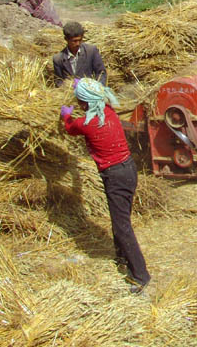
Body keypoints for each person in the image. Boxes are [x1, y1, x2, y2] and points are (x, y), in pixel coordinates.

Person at [61, 78, 151, 293]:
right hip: (129, 169)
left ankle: (140, 275)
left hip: (115, 175)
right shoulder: (109, 111)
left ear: (84, 103)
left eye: (80, 100)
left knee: (122, 227)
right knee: (121, 219)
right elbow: (96, 94)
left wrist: (65, 114)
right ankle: (121, 258)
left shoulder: (86, 123)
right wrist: (82, 84)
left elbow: (69, 127)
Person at [52, 22, 107, 87]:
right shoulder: (58, 59)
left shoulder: (91, 51)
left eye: (80, 40)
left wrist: (98, 87)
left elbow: (101, 73)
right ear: (66, 39)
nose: (78, 44)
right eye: (74, 41)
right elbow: (59, 81)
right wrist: (67, 86)